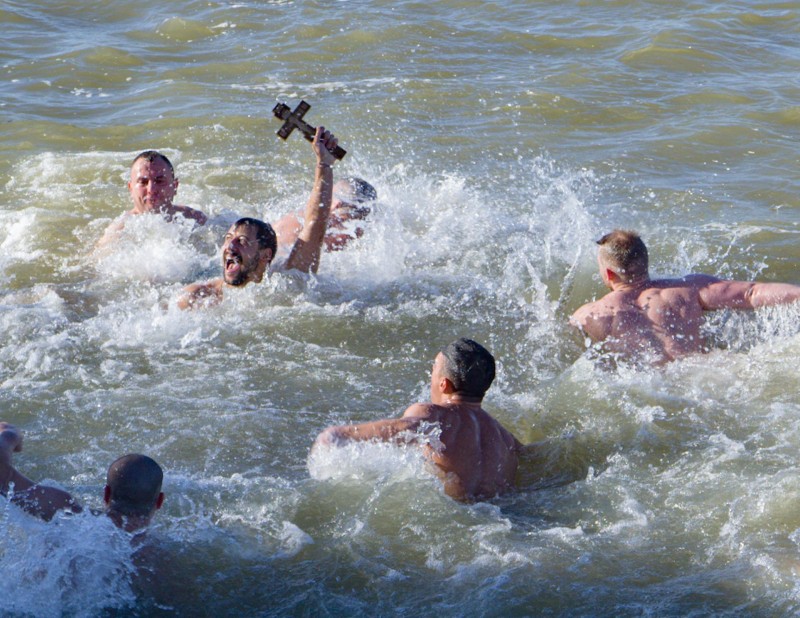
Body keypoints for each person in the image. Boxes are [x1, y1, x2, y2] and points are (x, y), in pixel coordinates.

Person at [312, 338, 523, 502]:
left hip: (454, 518)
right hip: (498, 514)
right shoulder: (506, 438)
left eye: (433, 369)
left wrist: (337, 435)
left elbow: (407, 427)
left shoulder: (435, 414)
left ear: (444, 385)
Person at [570, 229, 800, 365]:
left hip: (650, 392)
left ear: (608, 273)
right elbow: (753, 294)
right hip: (702, 374)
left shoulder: (590, 315)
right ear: (646, 263)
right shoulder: (688, 288)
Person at [178, 126, 340, 310]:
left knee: (341, 221)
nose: (230, 247)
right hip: (280, 241)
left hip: (286, 248)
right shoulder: (197, 296)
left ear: (265, 255)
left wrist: (324, 165)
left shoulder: (288, 280)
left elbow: (315, 224)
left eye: (242, 241)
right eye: (228, 239)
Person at [0, 422, 164, 533]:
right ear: (159, 502)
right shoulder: (161, 556)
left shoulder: (71, 517)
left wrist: (9, 434)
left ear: (106, 494)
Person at [97, 150, 207, 247]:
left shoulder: (193, 219)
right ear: (130, 188)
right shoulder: (119, 231)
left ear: (175, 186)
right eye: (143, 182)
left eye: (159, 181)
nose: (151, 189)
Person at [272, 176, 378, 252]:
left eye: (361, 227)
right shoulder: (296, 231)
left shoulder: (324, 229)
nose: (355, 237)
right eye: (351, 224)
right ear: (336, 207)